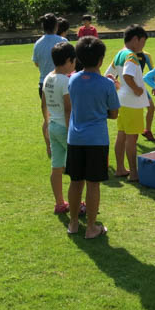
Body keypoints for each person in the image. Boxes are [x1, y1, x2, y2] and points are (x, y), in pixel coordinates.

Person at [66, 36, 120, 239]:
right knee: (93, 184)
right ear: (100, 60)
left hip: (75, 139)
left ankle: (73, 223)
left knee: (75, 181)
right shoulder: (106, 84)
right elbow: (114, 114)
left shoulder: (72, 79)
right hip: (96, 140)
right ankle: (91, 227)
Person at [105, 25, 150, 181]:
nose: (143, 47)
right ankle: (133, 172)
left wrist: (120, 86)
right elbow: (127, 75)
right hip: (132, 103)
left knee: (121, 135)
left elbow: (108, 76)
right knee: (132, 138)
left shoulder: (119, 54)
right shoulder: (131, 56)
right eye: (143, 42)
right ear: (135, 39)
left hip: (122, 101)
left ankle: (120, 168)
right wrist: (137, 89)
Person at [43, 41, 76, 214]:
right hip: (64, 128)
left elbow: (43, 104)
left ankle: (59, 203)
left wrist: (45, 124)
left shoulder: (49, 77)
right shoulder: (65, 81)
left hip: (53, 127)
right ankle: (75, 203)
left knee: (56, 167)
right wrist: (72, 132)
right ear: (69, 60)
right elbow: (68, 108)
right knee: (75, 169)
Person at [32, 13, 68, 157]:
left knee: (47, 117)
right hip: (61, 83)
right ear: (56, 26)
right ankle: (66, 146)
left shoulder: (38, 43)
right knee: (63, 115)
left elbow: (36, 63)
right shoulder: (62, 41)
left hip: (44, 84)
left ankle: (50, 147)